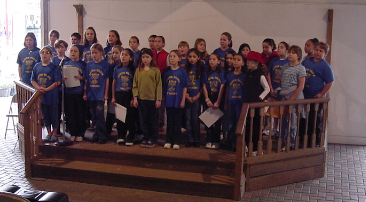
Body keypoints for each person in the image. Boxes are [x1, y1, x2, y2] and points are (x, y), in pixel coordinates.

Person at [301, 42, 334, 147]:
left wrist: (322, 94)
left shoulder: (325, 66)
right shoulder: (306, 61)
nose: (318, 53)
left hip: (315, 98)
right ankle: (302, 140)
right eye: (317, 50)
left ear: (325, 54)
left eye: (321, 51)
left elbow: (330, 82)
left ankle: (314, 142)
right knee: (303, 119)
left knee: (314, 120)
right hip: (304, 96)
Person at [278, 45, 306, 150]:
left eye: (293, 53)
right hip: (284, 97)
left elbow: (301, 86)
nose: (290, 54)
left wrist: (292, 98)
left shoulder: (301, 68)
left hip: (295, 98)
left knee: (293, 122)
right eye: (289, 52)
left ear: (298, 55)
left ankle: (292, 143)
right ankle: (283, 142)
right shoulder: (285, 66)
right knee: (284, 121)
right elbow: (282, 80)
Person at [132, 48, 162, 148]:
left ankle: (153, 138)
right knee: (143, 120)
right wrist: (135, 98)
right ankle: (145, 137)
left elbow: (159, 85)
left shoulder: (155, 70)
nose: (145, 59)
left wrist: (158, 99)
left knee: (152, 120)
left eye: (147, 57)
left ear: (151, 58)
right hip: (141, 99)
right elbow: (135, 84)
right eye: (143, 57)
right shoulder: (138, 70)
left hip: (152, 100)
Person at [31, 46, 61, 142]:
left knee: (54, 114)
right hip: (42, 95)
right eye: (42, 52)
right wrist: (39, 88)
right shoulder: (37, 66)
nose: (44, 55)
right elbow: (33, 80)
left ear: (51, 55)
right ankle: (48, 132)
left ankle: (55, 132)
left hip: (52, 95)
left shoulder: (54, 67)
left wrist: (47, 89)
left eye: (47, 53)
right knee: (45, 114)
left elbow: (58, 82)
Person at [244, 51, 270, 156]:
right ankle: (247, 147)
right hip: (247, 105)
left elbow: (267, 89)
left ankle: (256, 148)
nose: (248, 63)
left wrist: (260, 98)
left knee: (256, 127)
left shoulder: (260, 75)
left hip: (256, 105)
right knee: (248, 126)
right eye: (247, 61)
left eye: (250, 61)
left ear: (256, 62)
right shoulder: (248, 74)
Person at [83, 43, 109, 144]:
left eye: (96, 53)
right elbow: (86, 80)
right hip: (91, 94)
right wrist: (85, 93)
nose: (94, 55)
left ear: (101, 53)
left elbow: (107, 80)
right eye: (92, 53)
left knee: (99, 115)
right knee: (93, 115)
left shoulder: (105, 64)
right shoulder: (89, 64)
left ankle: (102, 134)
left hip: (100, 94)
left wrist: (105, 93)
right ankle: (96, 133)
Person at [162, 50, 189, 150]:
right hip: (168, 100)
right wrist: (163, 98)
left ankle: (177, 141)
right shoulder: (166, 71)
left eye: (174, 56)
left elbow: (184, 87)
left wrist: (182, 100)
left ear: (179, 58)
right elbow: (164, 86)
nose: (172, 58)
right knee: (169, 121)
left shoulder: (182, 71)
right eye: (170, 56)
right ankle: (168, 140)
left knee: (177, 122)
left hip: (178, 101)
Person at [111, 48, 137, 146]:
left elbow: (135, 83)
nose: (123, 57)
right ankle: (121, 135)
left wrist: (134, 97)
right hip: (119, 94)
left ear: (130, 58)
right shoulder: (117, 68)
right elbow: (114, 83)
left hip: (129, 94)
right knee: (120, 116)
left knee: (130, 116)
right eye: (122, 54)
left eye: (126, 55)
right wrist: (113, 97)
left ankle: (130, 136)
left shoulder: (133, 69)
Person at [264, 41, 290, 137]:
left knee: (282, 111)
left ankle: (282, 130)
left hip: (284, 90)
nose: (279, 49)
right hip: (274, 89)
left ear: (287, 50)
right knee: (274, 111)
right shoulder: (274, 61)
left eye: (282, 47)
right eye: (278, 47)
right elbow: (269, 73)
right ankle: (275, 129)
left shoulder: (288, 62)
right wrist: (270, 87)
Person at [202, 53, 226, 150]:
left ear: (219, 61)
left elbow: (222, 87)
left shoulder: (222, 72)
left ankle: (216, 141)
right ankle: (208, 140)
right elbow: (203, 85)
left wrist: (218, 101)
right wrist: (207, 99)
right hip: (209, 97)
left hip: (218, 97)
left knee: (217, 121)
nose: (211, 61)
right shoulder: (206, 72)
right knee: (208, 121)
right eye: (210, 59)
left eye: (214, 59)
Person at [64, 45, 86, 142]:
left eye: (75, 51)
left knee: (80, 113)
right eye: (71, 51)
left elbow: (87, 79)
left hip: (79, 92)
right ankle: (72, 132)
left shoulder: (83, 64)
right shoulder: (66, 63)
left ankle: (80, 133)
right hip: (69, 92)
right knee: (70, 113)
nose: (73, 53)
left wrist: (80, 77)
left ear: (79, 53)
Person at [225, 54, 246, 152]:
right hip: (231, 101)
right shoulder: (229, 75)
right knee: (230, 123)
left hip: (240, 102)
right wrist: (225, 102)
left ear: (242, 63)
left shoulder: (244, 76)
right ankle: (229, 142)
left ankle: (237, 144)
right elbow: (227, 89)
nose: (235, 61)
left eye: (238, 60)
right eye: (234, 59)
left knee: (239, 123)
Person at [51, 40, 71, 136]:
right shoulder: (53, 60)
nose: (60, 49)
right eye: (58, 47)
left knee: (67, 109)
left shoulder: (68, 60)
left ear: (65, 48)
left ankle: (68, 128)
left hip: (66, 88)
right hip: (56, 88)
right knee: (57, 110)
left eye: (62, 47)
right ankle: (57, 129)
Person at [184, 48, 202, 148]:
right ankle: (189, 139)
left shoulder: (200, 69)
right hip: (187, 98)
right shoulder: (185, 69)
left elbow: (202, 85)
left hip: (196, 98)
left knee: (195, 119)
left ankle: (196, 139)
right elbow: (183, 85)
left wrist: (197, 96)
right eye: (190, 56)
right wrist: (187, 96)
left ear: (198, 58)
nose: (192, 59)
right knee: (188, 119)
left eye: (194, 57)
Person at [106, 45, 123, 137]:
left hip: (121, 91)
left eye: (117, 53)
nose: (115, 55)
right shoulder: (111, 66)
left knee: (121, 113)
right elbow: (110, 80)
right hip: (112, 91)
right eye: (113, 53)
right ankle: (107, 131)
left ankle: (122, 133)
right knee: (111, 112)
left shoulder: (123, 66)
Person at [153, 36, 169, 131]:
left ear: (163, 44)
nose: (157, 43)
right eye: (155, 41)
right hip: (152, 81)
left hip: (162, 80)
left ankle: (160, 122)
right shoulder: (151, 53)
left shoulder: (166, 55)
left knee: (161, 101)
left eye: (159, 41)